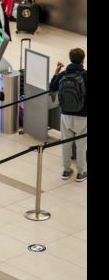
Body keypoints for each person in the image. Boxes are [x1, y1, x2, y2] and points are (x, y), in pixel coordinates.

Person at [50, 48, 87, 182]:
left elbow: (52, 88)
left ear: (70, 59)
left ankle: (66, 170)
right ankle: (80, 172)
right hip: (82, 115)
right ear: (83, 60)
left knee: (66, 144)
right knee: (81, 145)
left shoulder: (63, 74)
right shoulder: (85, 75)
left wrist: (56, 72)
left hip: (65, 114)